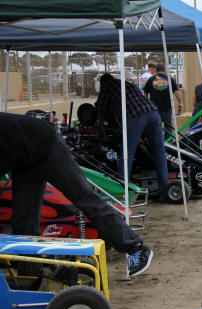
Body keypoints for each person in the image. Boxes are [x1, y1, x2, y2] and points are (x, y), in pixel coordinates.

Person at [0, 112, 153, 277]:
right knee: (23, 221)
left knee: (85, 199)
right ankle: (30, 276)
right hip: (24, 160)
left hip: (47, 145)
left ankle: (136, 247)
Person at [95, 73, 169, 201]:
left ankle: (121, 191)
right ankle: (164, 190)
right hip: (153, 113)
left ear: (102, 83)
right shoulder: (127, 84)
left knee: (127, 154)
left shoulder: (107, 87)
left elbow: (100, 109)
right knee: (160, 153)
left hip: (135, 117)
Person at [143, 62, 183, 139]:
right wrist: (180, 103)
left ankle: (158, 141)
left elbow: (145, 91)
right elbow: (177, 92)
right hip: (167, 107)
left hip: (154, 108)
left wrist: (147, 102)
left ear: (156, 70)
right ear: (164, 69)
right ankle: (169, 142)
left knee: (156, 126)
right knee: (168, 126)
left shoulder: (151, 79)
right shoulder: (169, 79)